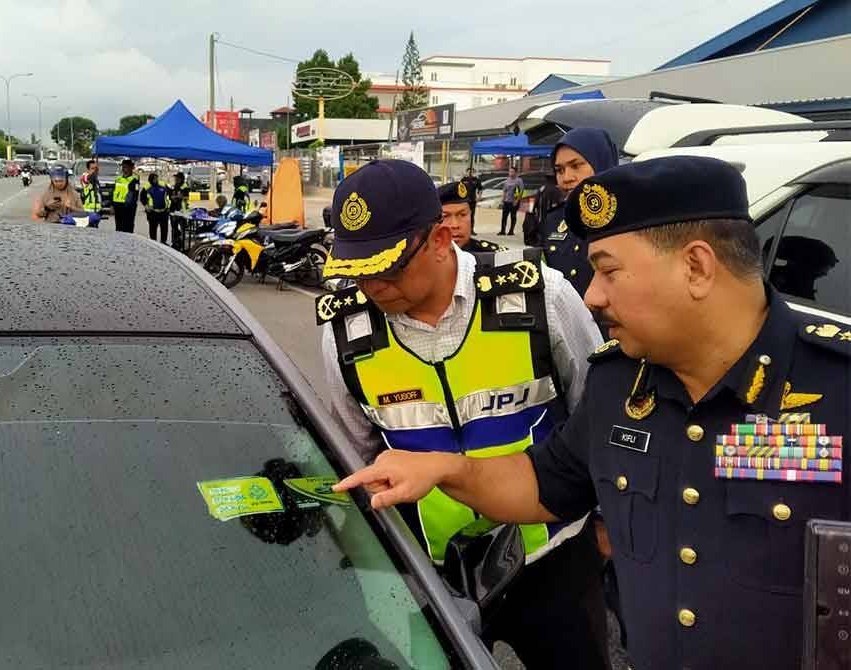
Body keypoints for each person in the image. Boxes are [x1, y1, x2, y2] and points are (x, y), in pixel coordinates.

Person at [334, 155, 851, 670]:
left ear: (696, 266)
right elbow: (546, 483)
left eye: (607, 270)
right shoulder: (620, 385)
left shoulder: (837, 388)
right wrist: (445, 468)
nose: (591, 294)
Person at [318, 159, 609, 669]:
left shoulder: (540, 296)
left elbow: (600, 416)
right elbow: (357, 454)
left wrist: (606, 528)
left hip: (554, 558)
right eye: (357, 272)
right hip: (431, 571)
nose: (372, 287)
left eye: (386, 267)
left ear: (439, 238)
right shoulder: (346, 334)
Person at [536, 127, 619, 297]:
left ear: (601, 163)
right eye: (559, 170)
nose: (566, 177)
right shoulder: (553, 220)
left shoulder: (629, 219)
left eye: (576, 166)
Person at [437, 181, 504, 255]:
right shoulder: (423, 261)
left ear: (470, 215)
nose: (455, 225)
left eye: (462, 215)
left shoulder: (495, 256)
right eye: (445, 216)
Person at [111, 159, 140, 233]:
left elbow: (135, 195)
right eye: (123, 167)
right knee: (118, 227)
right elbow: (113, 193)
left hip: (128, 208)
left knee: (128, 228)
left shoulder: (134, 180)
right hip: (118, 206)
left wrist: (130, 205)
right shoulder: (118, 179)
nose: (124, 169)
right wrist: (112, 205)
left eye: (126, 167)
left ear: (131, 168)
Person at [142, 172, 171, 244]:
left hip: (163, 211)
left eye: (156, 178)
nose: (156, 180)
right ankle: (153, 243)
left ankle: (163, 242)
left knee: (164, 229)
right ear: (150, 180)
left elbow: (170, 193)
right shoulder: (147, 187)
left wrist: (168, 206)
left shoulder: (163, 184)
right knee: (152, 229)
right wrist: (146, 206)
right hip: (152, 212)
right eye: (154, 179)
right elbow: (142, 198)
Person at [499, 166, 524, 236]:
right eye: (510, 171)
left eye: (512, 172)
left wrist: (517, 201)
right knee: (504, 216)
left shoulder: (519, 180)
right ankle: (502, 231)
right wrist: (503, 199)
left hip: (514, 201)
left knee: (513, 216)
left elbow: (521, 191)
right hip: (506, 201)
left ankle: (511, 231)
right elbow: (504, 190)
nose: (510, 173)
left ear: (516, 173)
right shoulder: (507, 180)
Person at [79, 159, 103, 226]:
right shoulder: (85, 177)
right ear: (87, 169)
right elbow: (88, 178)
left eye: (95, 168)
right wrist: (95, 172)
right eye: (92, 168)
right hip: (88, 211)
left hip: (97, 211)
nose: (94, 170)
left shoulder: (96, 180)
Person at [459, 167, 483, 233]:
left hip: (472, 200)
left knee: (472, 216)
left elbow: (480, 189)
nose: (470, 173)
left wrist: (479, 197)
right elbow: (460, 189)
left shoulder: (476, 180)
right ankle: (463, 229)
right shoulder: (463, 180)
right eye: (469, 172)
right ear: (466, 172)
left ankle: (471, 230)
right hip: (465, 201)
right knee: (464, 215)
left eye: (472, 172)